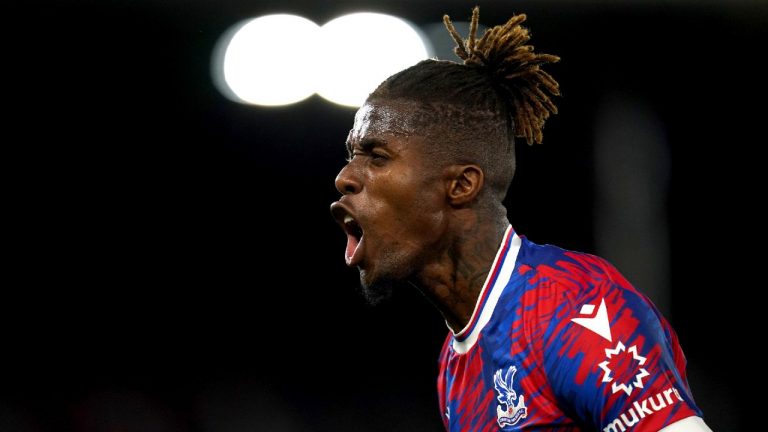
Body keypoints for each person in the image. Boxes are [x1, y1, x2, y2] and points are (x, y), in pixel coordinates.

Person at [329, 7, 711, 432]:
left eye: (376, 157)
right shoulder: (454, 364)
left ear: (460, 185)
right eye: (351, 156)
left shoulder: (575, 313)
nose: (345, 178)